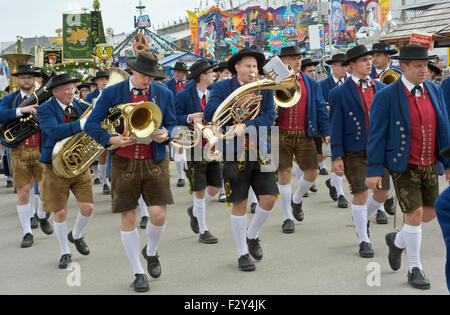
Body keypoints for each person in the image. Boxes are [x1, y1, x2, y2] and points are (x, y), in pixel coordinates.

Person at [85, 51, 177, 292]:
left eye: (152, 76)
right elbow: (92, 124)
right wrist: (111, 139)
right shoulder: (112, 93)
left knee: (158, 216)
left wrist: (167, 134)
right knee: (128, 217)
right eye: (144, 75)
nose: (148, 80)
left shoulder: (163, 93)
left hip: (154, 160)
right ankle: (138, 271)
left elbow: (173, 124)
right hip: (123, 163)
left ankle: (151, 251)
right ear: (133, 71)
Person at [366, 44, 450, 290]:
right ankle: (415, 267)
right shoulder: (386, 95)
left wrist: (448, 163)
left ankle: (398, 241)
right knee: (413, 214)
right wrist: (374, 169)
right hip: (403, 164)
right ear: (403, 67)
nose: (424, 70)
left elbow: (444, 129)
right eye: (418, 66)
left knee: (431, 212)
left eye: (425, 65)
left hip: (429, 162)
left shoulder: (434, 90)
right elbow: (376, 135)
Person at [204, 48, 277, 271]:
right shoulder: (221, 87)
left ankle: (252, 234)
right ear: (237, 67)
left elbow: (269, 117)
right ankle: (241, 253)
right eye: (248, 66)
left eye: (255, 67)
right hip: (232, 151)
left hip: (259, 149)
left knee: (269, 199)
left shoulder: (265, 88)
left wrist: (246, 125)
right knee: (240, 203)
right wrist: (235, 105)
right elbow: (209, 114)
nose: (253, 70)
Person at [329, 45, 389, 259]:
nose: (369, 62)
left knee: (383, 194)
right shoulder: (338, 92)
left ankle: (361, 218)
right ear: (351, 65)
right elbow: (335, 125)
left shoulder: (381, 88)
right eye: (364, 60)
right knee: (361, 193)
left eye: (369, 59)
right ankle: (364, 239)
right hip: (354, 150)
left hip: (380, 149)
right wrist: (336, 156)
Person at [37, 73, 93, 269]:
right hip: (54, 166)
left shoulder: (80, 106)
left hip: (79, 163)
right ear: (56, 91)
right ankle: (65, 251)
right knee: (60, 211)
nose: (72, 92)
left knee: (88, 208)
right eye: (67, 89)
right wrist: (82, 124)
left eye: (73, 89)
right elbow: (54, 131)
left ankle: (75, 235)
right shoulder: (44, 109)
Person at [275, 46, 330, 234]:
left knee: (312, 172)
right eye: (292, 58)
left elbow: (321, 107)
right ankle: (287, 217)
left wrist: (325, 131)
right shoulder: (274, 81)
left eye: (298, 58)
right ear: (283, 61)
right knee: (284, 174)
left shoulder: (311, 83)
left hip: (304, 133)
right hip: (279, 133)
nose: (297, 61)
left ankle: (296, 199)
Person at [0, 64, 53, 248]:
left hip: (41, 149)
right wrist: (20, 111)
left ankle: (40, 215)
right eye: (22, 77)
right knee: (23, 192)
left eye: (29, 77)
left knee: (46, 189)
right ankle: (27, 233)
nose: (26, 80)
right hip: (19, 150)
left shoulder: (44, 99)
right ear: (18, 80)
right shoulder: (11, 99)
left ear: (35, 79)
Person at [175, 59, 220, 244]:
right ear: (202, 76)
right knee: (200, 189)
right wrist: (188, 117)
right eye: (211, 73)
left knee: (215, 187)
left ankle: (194, 212)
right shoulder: (183, 95)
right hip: (194, 146)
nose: (213, 76)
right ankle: (203, 230)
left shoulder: (212, 93)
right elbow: (173, 118)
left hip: (212, 144)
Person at [320, 53, 349, 209]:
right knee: (335, 159)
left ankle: (332, 183)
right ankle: (341, 195)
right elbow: (320, 108)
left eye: (346, 65)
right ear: (333, 67)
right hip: (332, 127)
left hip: (348, 127)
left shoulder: (350, 83)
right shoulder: (323, 85)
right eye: (341, 65)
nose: (345, 68)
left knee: (345, 162)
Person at [85, 71, 111, 194]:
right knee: (102, 155)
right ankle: (105, 182)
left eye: (106, 79)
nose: (104, 82)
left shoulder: (112, 92)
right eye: (101, 80)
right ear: (96, 81)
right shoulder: (90, 97)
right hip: (99, 127)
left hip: (113, 127)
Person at [165, 62, 190, 188]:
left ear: (184, 73)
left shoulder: (190, 84)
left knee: (191, 149)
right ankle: (181, 177)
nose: (176, 73)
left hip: (190, 119)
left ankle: (187, 167)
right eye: (175, 71)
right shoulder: (167, 85)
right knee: (179, 147)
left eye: (179, 71)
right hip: (174, 119)